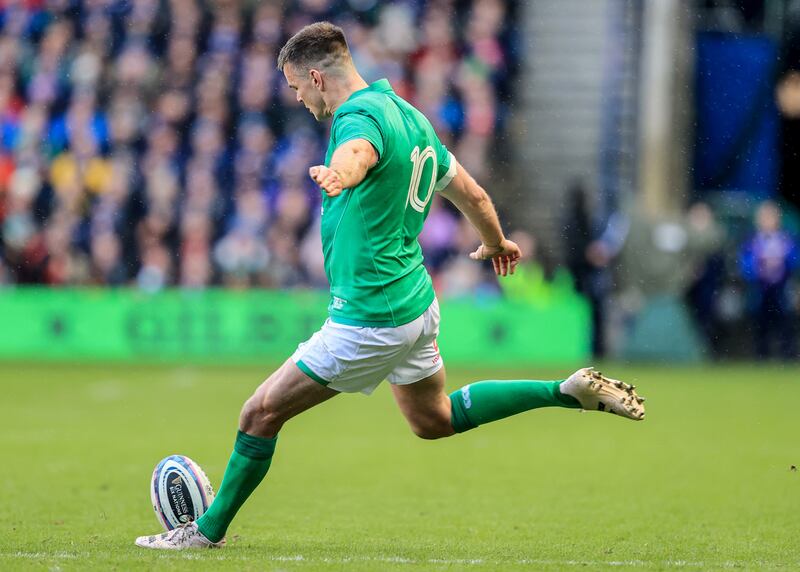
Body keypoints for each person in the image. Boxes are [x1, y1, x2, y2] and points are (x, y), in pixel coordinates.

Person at [134, 22, 646, 550]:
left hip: (370, 317)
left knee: (259, 413)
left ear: (315, 76)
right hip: (415, 303)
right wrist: (496, 242)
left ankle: (204, 533)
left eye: (295, 87)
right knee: (433, 418)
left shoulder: (358, 117)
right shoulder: (411, 117)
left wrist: (341, 173)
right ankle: (563, 392)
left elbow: (358, 152)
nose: (297, 98)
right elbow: (472, 194)